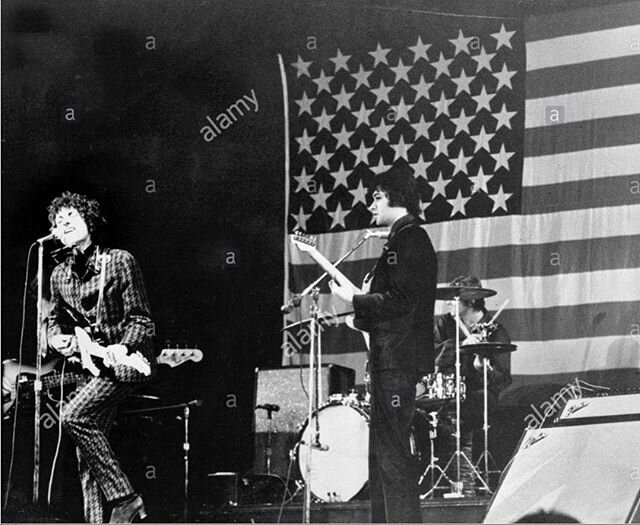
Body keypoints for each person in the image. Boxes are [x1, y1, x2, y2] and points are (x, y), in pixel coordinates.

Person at [330, 166, 437, 523]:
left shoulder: (410, 238)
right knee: (382, 457)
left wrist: (355, 299)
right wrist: (359, 312)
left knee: (391, 457)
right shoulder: (401, 239)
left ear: (398, 198)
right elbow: (395, 303)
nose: (370, 204)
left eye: (377, 196)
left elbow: (401, 300)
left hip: (397, 361)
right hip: (389, 358)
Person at [46, 191, 155, 523]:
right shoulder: (59, 275)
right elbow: (54, 322)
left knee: (72, 416)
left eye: (71, 218)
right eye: (57, 221)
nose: (62, 224)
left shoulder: (119, 260)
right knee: (88, 457)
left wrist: (122, 347)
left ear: (89, 222)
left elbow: (142, 320)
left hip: (124, 364)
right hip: (88, 369)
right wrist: (57, 339)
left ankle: (126, 498)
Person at [433, 275, 511, 495]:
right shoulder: (445, 323)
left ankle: (464, 487)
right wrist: (460, 345)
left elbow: (503, 377)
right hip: (447, 394)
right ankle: (444, 487)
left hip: (480, 395)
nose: (449, 303)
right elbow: (433, 358)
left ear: (471, 301)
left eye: (454, 299)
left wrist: (481, 368)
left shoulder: (495, 330)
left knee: (460, 416)